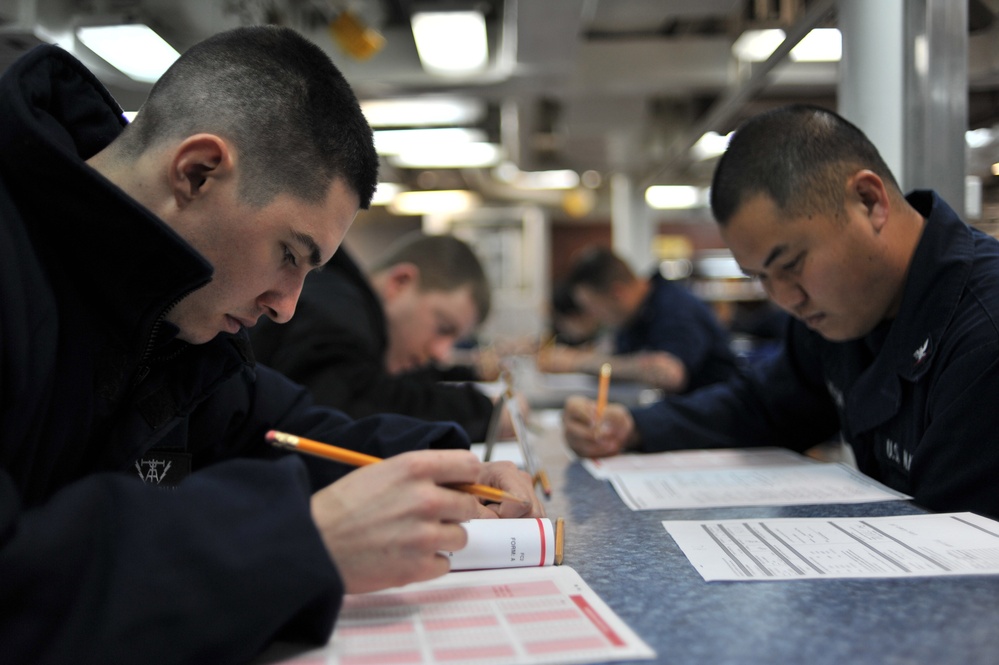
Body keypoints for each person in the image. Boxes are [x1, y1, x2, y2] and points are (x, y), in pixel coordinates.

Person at [0, 27, 541, 665]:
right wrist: (302, 542)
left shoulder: (171, 315)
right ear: (197, 173)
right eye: (289, 254)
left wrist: (438, 467)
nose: (285, 307)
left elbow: (278, 428)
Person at [563, 104, 999, 520]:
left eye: (791, 265)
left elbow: (961, 553)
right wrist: (634, 427)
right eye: (762, 277)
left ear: (869, 201)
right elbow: (761, 406)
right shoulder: (842, 311)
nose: (785, 298)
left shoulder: (984, 335)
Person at [250, 232, 509, 441]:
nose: (441, 353)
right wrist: (487, 413)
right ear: (400, 283)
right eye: (443, 328)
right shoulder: (336, 312)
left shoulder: (347, 306)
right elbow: (354, 410)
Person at [547, 246, 739, 393]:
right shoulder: (634, 315)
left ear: (617, 293)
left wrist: (579, 362)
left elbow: (670, 373)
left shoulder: (674, 307)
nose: (593, 315)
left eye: (593, 306)